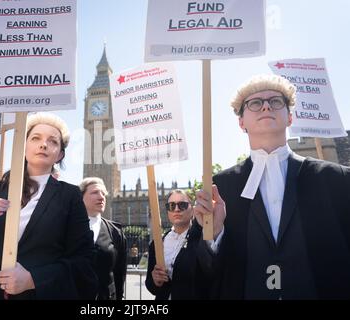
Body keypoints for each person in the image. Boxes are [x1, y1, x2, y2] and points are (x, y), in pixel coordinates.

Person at [194, 74, 350, 299]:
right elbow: (204, 270)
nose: (266, 106)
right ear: (241, 122)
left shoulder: (336, 179)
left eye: (276, 101)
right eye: (255, 103)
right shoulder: (219, 187)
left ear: (289, 118)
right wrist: (215, 233)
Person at [0, 113, 98, 299]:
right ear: (24, 146)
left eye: (52, 141)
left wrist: (33, 279)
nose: (44, 144)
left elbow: (83, 262)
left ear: (59, 154)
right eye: (36, 138)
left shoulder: (70, 196)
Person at [145, 189, 213, 300]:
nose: (176, 209)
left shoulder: (203, 239)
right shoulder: (157, 243)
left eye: (182, 205)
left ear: (192, 209)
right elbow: (151, 287)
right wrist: (155, 281)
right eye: (171, 206)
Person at [79, 177, 127, 300]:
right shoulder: (66, 227)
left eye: (103, 194)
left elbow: (119, 274)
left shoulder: (115, 232)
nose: (101, 197)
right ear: (81, 197)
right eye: (95, 192)